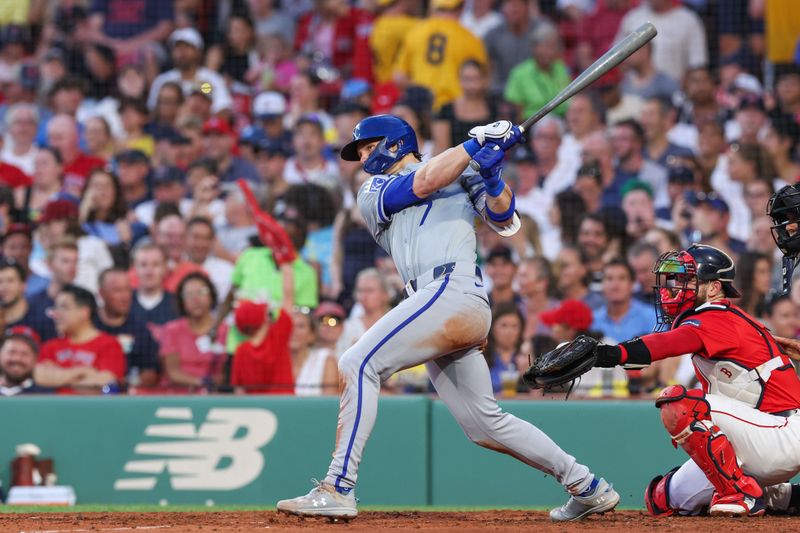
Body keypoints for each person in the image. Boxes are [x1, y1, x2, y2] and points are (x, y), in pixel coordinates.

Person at [277, 114, 618, 520]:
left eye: (370, 146)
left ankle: (338, 486)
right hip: (437, 300)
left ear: (395, 142)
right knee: (483, 424)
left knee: (357, 362)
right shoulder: (372, 189)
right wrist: (474, 147)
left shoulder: (457, 167)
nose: (365, 157)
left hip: (451, 290)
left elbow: (505, 221)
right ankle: (587, 485)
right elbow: (422, 182)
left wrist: (491, 177)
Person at [579, 244, 800, 516]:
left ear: (715, 287)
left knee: (680, 403)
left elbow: (667, 344)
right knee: (662, 499)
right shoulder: (722, 318)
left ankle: (740, 494)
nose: (676, 287)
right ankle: (786, 497)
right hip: (755, 435)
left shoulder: (717, 315)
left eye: (688, 280)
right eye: (678, 279)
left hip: (782, 432)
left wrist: (608, 354)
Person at [393, 0, 488, 110]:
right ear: (461, 8)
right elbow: (482, 78)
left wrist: (418, 92)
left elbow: (399, 76)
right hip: (454, 107)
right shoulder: (470, 38)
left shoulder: (416, 32)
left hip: (421, 105)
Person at [35, 284, 126, 394]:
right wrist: (83, 372)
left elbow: (105, 382)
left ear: (84, 312)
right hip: (55, 409)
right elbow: (39, 376)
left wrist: (57, 377)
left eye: (64, 307)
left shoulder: (109, 344)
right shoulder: (50, 346)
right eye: (56, 307)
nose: (56, 313)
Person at [158, 272, 225, 392]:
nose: (196, 299)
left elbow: (226, 372)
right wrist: (202, 382)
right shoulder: (172, 330)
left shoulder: (226, 331)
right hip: (178, 397)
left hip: (216, 396)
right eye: (189, 294)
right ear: (181, 300)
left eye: (202, 292)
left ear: (212, 296)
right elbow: (173, 372)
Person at [94, 268, 160, 388]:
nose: (125, 296)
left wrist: (125, 385)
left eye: (127, 290)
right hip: (89, 394)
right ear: (101, 293)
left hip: (128, 397)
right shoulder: (89, 325)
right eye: (117, 290)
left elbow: (151, 372)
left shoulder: (140, 329)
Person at [147, 28, 233, 116]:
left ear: (198, 51)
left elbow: (223, 109)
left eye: (187, 47)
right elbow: (152, 112)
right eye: (177, 48)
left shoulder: (212, 79)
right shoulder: (162, 80)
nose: (181, 52)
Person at [336, 268, 393, 356]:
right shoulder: (348, 327)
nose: (363, 296)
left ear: (385, 294)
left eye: (370, 290)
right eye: (360, 290)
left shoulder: (395, 322)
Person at [290, 305, 339, 396]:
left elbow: (330, 403)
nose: (293, 331)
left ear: (312, 334)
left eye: (300, 326)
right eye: (290, 325)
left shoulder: (326, 359)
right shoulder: (273, 360)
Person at [482, 302, 526, 395]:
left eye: (514, 326)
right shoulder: (481, 357)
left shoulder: (528, 357)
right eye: (504, 325)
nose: (509, 332)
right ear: (492, 328)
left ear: (520, 330)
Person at [130, 243, 178, 326]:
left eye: (155, 265)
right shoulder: (124, 303)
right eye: (143, 265)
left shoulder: (177, 304)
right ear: (135, 268)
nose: (149, 271)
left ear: (165, 268)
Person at [0, 332, 53, 396]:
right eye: (11, 352)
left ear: (34, 360)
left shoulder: (44, 396)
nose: (17, 359)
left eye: (24, 354)